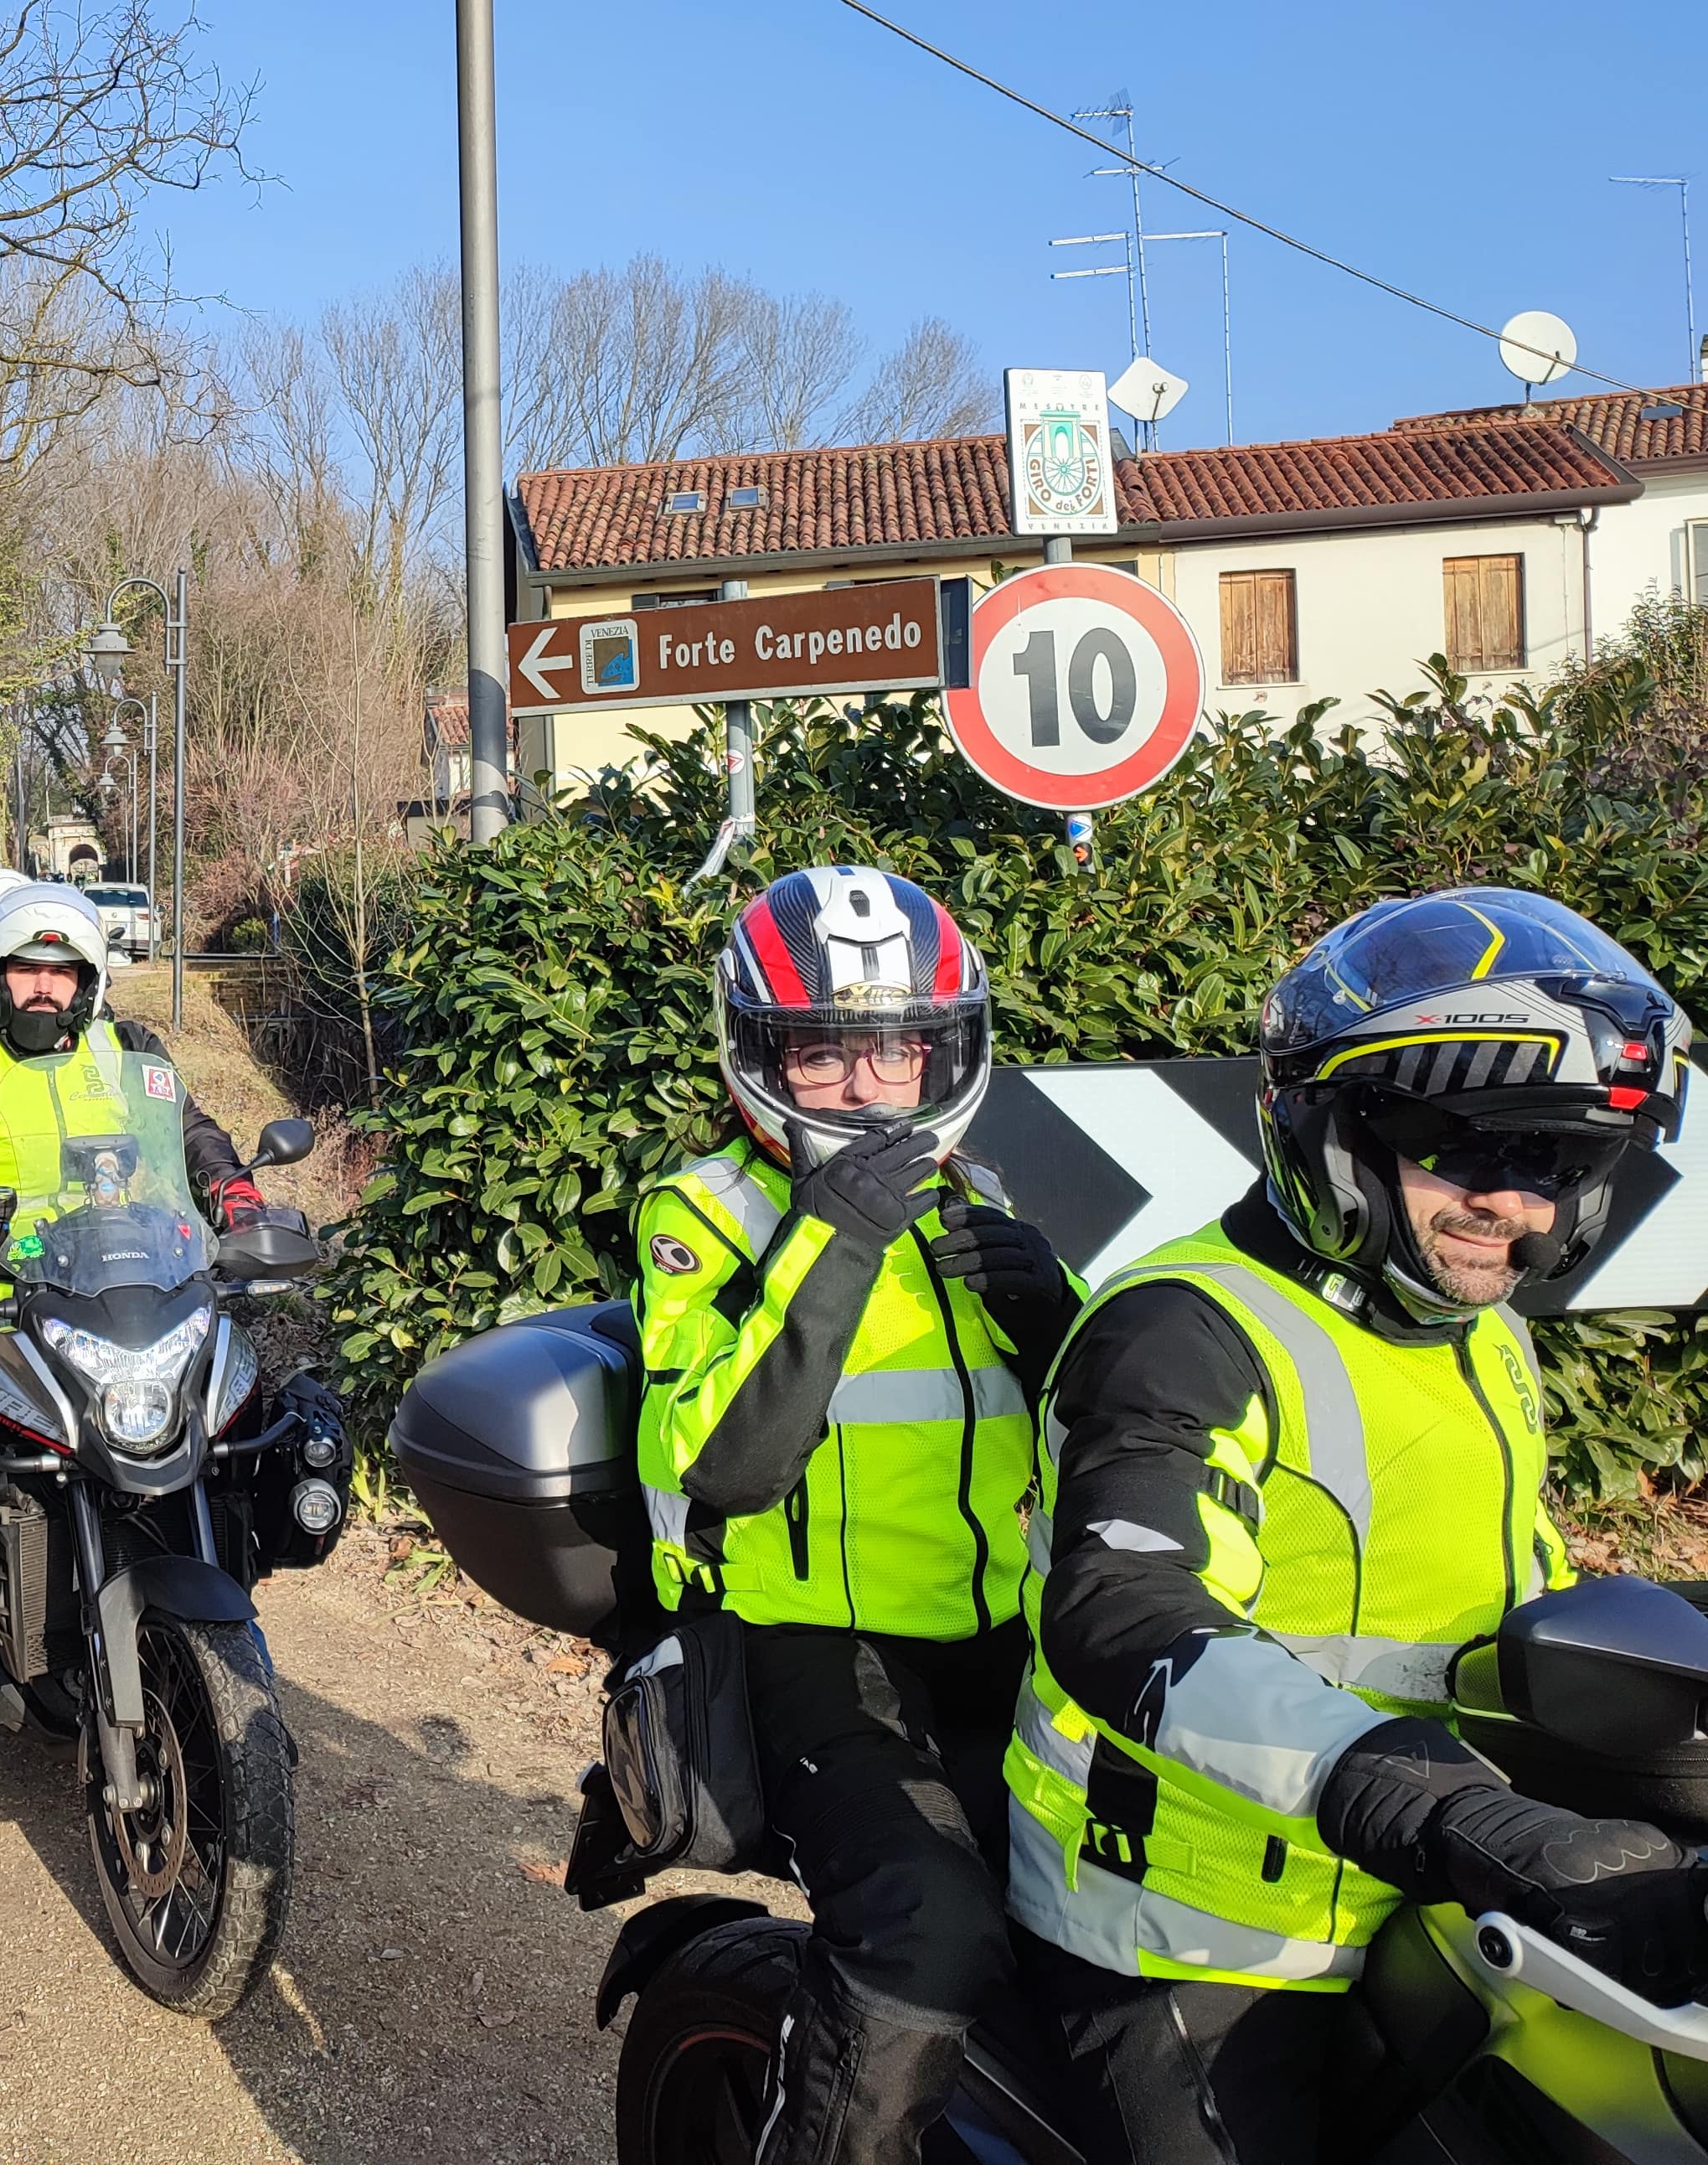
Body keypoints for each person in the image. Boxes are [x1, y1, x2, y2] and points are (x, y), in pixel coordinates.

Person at [1007, 889, 1699, 2165]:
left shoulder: (1476, 1328)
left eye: (1554, 1163)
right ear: (1333, 1136)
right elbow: (1128, 1616)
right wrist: (1432, 1802)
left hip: (1421, 1885)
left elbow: (1497, 1586)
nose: (1516, 1206)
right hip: (1191, 1925)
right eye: (1470, 1147)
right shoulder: (1183, 1330)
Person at [634, 866, 1081, 2165]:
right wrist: (829, 1245)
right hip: (808, 1647)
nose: (870, 1088)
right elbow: (724, 1462)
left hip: (1005, 1642)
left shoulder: (979, 1199)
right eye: (823, 1054)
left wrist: (1064, 1331)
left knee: (1130, 1905)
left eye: (897, 1051)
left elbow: (1111, 1441)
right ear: (755, 1057)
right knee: (927, 1926)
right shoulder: (701, 1215)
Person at [0, 881, 265, 1817]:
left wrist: (235, 1197)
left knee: (209, 1454)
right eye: (24, 969)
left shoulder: (132, 1054)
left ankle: (232, 1700)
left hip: (115, 1299)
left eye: (60, 972)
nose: (42, 988)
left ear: (90, 982)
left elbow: (196, 1141)